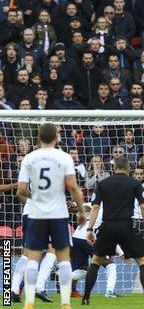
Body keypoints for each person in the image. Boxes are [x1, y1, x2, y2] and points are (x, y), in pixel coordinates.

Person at [16, 122, 86, 309]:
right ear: (56, 137)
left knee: (32, 258)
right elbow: (72, 187)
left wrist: (36, 198)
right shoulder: (64, 157)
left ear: (39, 137)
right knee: (63, 258)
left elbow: (21, 189)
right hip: (58, 214)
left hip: (36, 214)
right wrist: (80, 211)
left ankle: (29, 302)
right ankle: (65, 303)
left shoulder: (29, 158)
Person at [82, 156, 144, 305]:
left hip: (107, 227)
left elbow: (95, 207)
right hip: (127, 226)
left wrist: (89, 229)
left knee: (96, 261)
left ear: (113, 168)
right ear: (128, 168)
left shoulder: (103, 184)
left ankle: (86, 297)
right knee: (143, 261)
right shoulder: (135, 184)